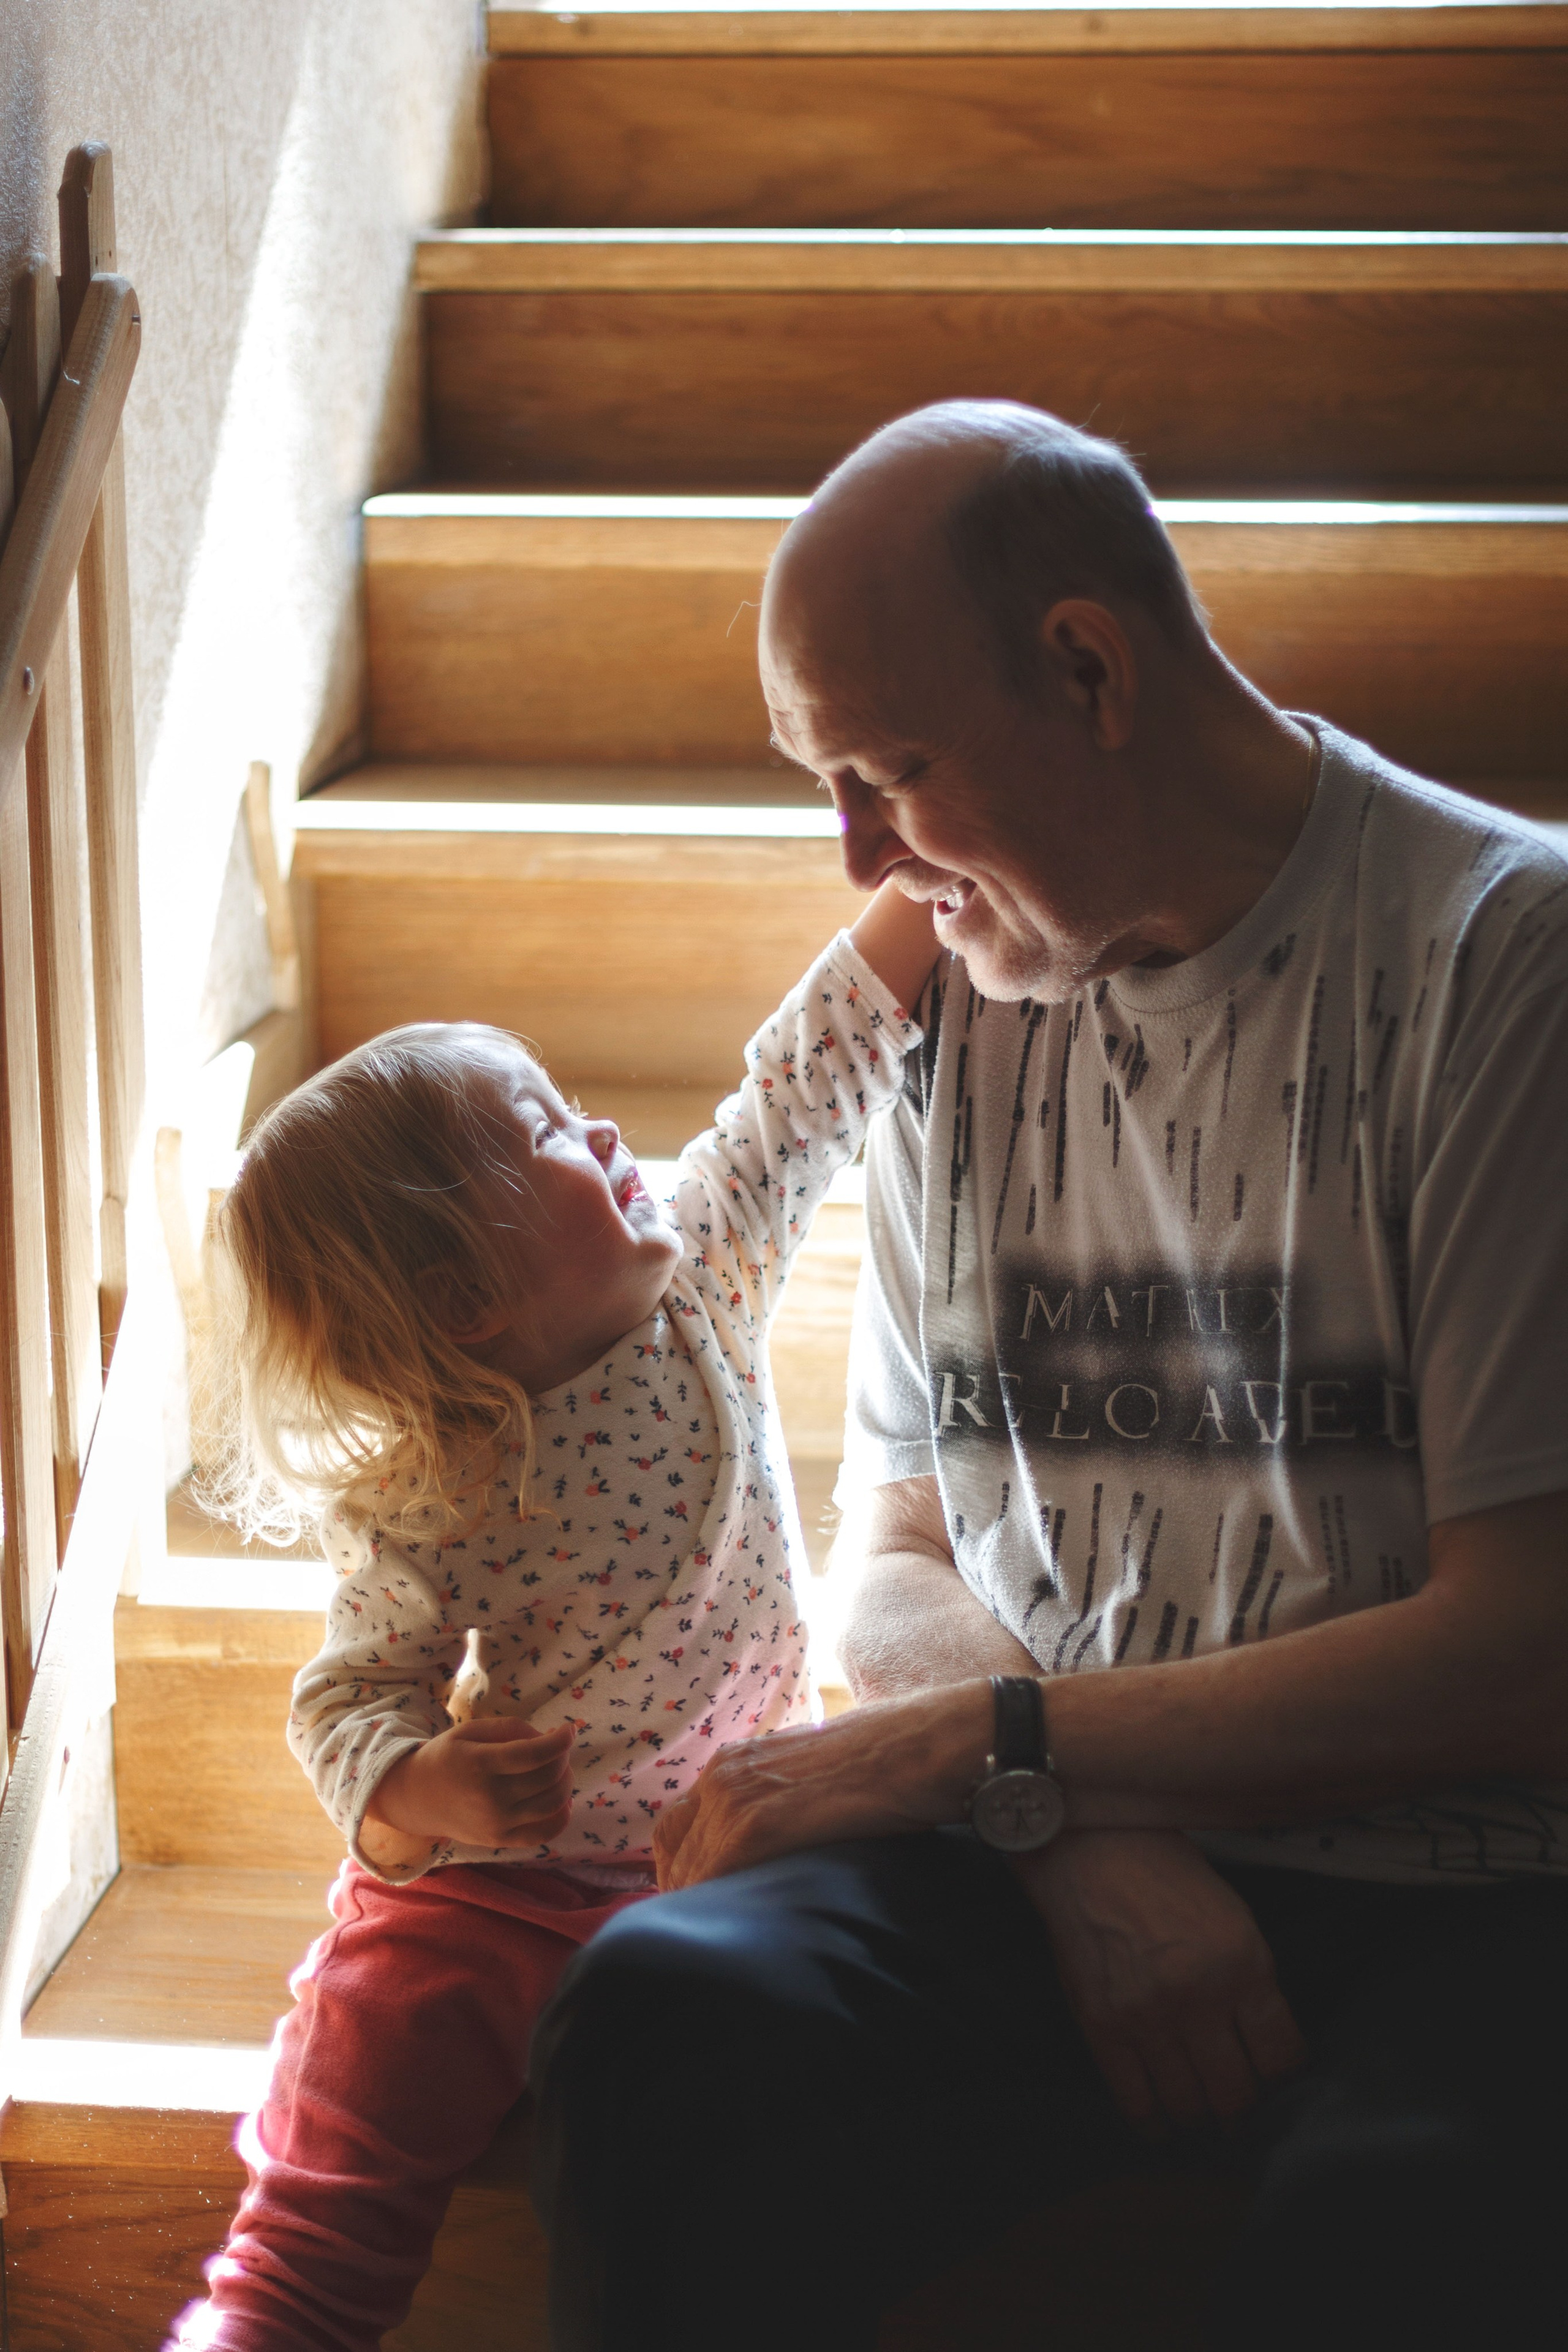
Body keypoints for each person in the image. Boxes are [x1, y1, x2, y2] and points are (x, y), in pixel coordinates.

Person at [529, 403, 1568, 2351]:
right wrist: (1075, 1823)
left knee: (1402, 2219)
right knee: (665, 2014)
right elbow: (897, 1553)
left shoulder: (1507, 965)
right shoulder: (971, 988)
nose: (856, 857)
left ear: (1088, 671)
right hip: (1061, 1832)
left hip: (1477, 1882)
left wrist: (971, 1755)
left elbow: (1531, 1648)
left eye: (888, 773)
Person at [165, 882, 937, 2352]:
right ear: (462, 1299)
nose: (602, 1135)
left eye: (576, 1107)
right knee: (377, 2023)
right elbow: (348, 1695)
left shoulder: (705, 1273)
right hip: (503, 1893)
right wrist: (422, 1787)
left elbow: (803, 1083)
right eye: (543, 1137)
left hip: (741, 1831)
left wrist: (922, 891)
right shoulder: (435, 1484)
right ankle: (275, 2312)